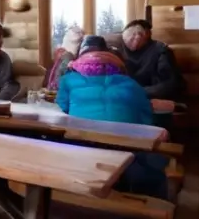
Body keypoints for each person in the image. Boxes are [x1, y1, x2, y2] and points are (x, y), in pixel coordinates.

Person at [55, 35, 169, 200]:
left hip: (81, 147)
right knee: (153, 163)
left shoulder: (68, 80)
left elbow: (64, 107)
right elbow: (145, 118)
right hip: (127, 151)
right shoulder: (131, 84)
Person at [120, 19, 185, 100]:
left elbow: (170, 85)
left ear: (146, 34)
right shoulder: (120, 51)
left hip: (154, 100)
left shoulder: (161, 51)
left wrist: (138, 92)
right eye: (128, 37)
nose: (133, 39)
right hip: (128, 98)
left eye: (138, 34)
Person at [44, 26, 84, 90]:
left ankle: (56, 87)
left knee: (59, 71)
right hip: (69, 56)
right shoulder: (69, 56)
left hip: (64, 54)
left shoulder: (67, 35)